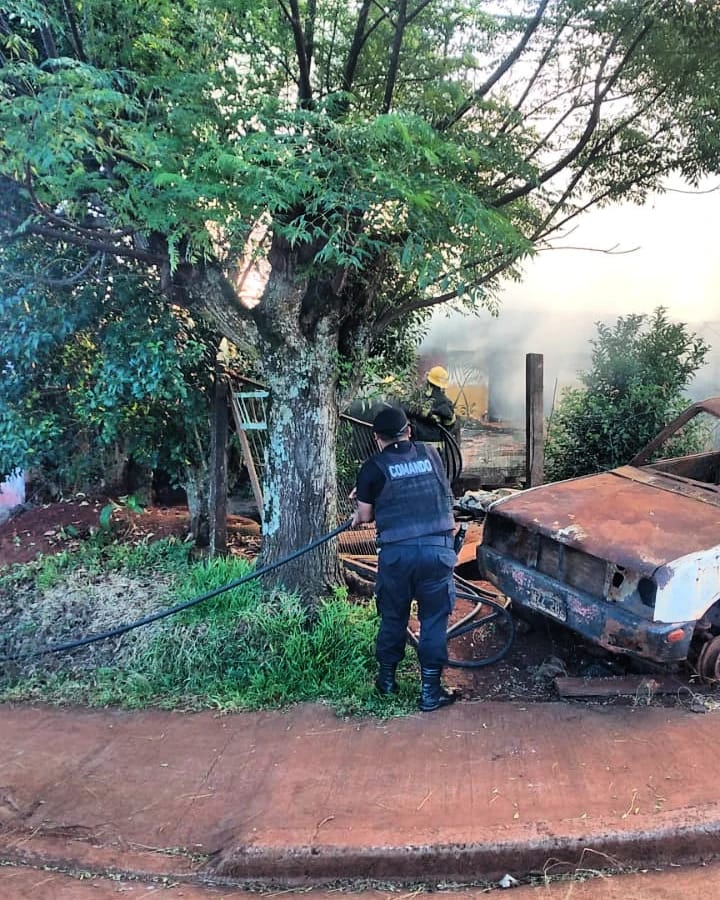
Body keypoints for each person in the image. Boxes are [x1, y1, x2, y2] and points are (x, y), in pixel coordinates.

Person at [350, 406, 458, 712]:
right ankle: (430, 692)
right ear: (408, 431)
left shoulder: (372, 467)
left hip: (397, 556)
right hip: (438, 552)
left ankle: (386, 681)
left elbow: (365, 515)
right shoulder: (431, 454)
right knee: (434, 620)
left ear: (376, 439)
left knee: (393, 616)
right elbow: (424, 485)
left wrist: (360, 504)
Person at [408, 366, 461, 446]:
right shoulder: (445, 402)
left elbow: (407, 411)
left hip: (417, 446)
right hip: (437, 450)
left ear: (428, 381)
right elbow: (450, 424)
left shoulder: (417, 397)